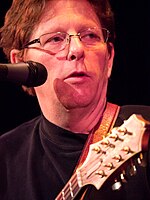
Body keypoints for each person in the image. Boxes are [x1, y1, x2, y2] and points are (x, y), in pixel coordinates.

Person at [0, 0, 150, 199]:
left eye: (90, 35)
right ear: (20, 63)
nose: (77, 49)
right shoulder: (5, 157)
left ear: (109, 58)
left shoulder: (144, 130)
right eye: (55, 39)